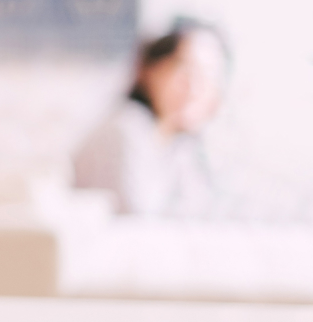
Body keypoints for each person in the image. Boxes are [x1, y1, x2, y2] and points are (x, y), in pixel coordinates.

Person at [73, 20, 229, 218]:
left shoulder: (178, 146)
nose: (194, 88)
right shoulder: (125, 130)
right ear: (148, 70)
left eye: (209, 77)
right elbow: (134, 224)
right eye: (186, 69)